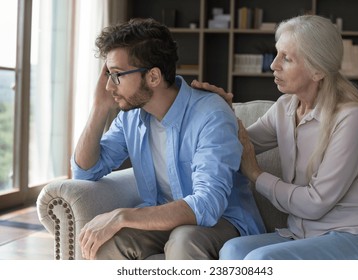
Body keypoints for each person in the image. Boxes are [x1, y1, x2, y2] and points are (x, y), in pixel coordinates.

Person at [192, 14, 358, 260]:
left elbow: (315, 203)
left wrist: (256, 174)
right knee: (232, 249)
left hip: (354, 239)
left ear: (317, 70)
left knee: (259, 261)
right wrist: (221, 110)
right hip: (302, 235)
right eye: (277, 54)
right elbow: (237, 146)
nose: (273, 65)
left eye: (286, 58)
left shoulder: (351, 116)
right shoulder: (285, 107)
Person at [71, 18, 265, 260]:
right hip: (163, 221)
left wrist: (122, 216)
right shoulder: (131, 117)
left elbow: (207, 205)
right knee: (106, 244)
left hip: (224, 222)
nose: (110, 85)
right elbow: (85, 172)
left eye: (118, 75)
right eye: (109, 74)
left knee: (184, 239)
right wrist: (99, 108)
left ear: (153, 77)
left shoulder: (211, 115)